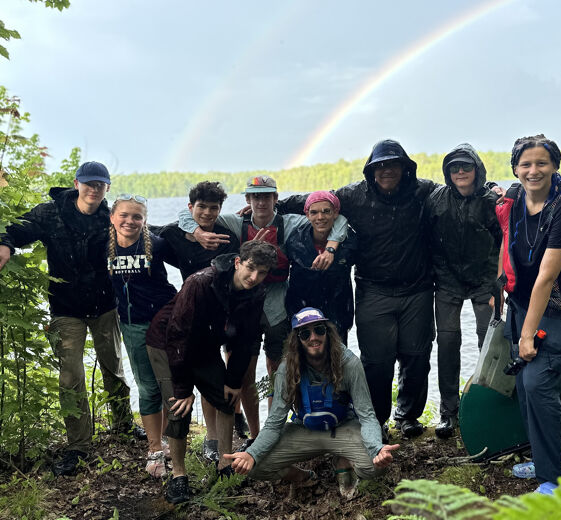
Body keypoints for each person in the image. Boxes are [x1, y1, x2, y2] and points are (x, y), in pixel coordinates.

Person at [278, 140, 436, 440]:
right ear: (371, 170)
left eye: (392, 164)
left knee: (416, 355)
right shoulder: (353, 195)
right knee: (376, 361)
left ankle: (408, 416)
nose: (386, 170)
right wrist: (270, 204)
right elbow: (314, 202)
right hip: (373, 289)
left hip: (417, 288)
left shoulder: (422, 191)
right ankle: (376, 420)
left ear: (405, 167)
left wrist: (492, 188)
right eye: (379, 165)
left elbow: (451, 192)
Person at [0, 161, 134, 477]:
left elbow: (148, 233)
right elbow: (13, 228)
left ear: (107, 187)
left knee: (114, 365)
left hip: (106, 305)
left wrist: (194, 232)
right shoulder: (51, 213)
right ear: (77, 183)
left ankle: (123, 425)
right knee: (70, 376)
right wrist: (4, 244)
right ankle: (79, 446)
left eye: (100, 184)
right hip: (65, 309)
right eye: (89, 183)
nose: (94, 189)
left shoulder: (113, 218)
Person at [178, 176, 346, 411]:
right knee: (241, 368)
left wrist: (331, 247)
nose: (261, 202)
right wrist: (197, 232)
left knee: (276, 370)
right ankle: (247, 426)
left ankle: (275, 422)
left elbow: (338, 220)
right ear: (248, 198)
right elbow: (186, 215)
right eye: (256, 196)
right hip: (242, 305)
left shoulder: (290, 223)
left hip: (277, 304)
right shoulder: (237, 222)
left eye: (266, 196)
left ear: (275, 198)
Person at [145, 240, 278, 504]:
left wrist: (233, 379)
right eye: (250, 268)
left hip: (204, 346)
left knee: (227, 399)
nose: (254, 277)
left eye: (262, 272)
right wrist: (183, 389)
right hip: (167, 344)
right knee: (178, 410)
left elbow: (245, 339)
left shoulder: (256, 292)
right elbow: (178, 332)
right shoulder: (201, 282)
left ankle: (224, 465)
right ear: (238, 262)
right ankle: (179, 476)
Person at [223, 307, 399, 498]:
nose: (313, 337)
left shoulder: (349, 363)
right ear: (297, 340)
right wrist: (252, 453)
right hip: (304, 430)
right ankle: (301, 476)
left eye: (319, 330)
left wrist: (376, 448)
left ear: (328, 332)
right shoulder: (286, 369)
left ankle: (344, 461)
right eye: (305, 333)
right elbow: (274, 423)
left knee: (376, 468)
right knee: (255, 467)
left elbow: (367, 415)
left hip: (343, 428)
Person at [496, 135, 561, 495]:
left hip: (558, 307)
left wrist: (528, 334)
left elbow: (547, 277)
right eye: (526, 164)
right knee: (522, 384)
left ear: (555, 166)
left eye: (541, 163)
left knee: (538, 383)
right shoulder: (514, 198)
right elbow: (503, 242)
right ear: (516, 168)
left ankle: (555, 479)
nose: (533, 171)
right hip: (520, 303)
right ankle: (548, 457)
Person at [154, 181, 250, 459]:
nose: (207, 213)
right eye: (202, 207)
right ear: (190, 208)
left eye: (213, 208)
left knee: (221, 376)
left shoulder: (226, 238)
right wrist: (194, 233)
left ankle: (222, 432)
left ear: (220, 210)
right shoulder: (176, 233)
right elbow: (149, 232)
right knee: (196, 375)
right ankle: (201, 439)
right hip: (191, 315)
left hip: (222, 315)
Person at [425, 144, 502, 438]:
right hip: (447, 281)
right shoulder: (436, 200)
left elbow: (504, 243)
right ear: (447, 172)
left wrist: (499, 285)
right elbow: (426, 240)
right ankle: (449, 412)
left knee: (489, 341)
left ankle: (489, 406)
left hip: (485, 281)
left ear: (477, 170)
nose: (460, 172)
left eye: (466, 167)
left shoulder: (492, 201)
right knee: (447, 344)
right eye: (454, 167)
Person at [107, 193, 177, 478]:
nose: (130, 221)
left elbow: (191, 262)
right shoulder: (101, 246)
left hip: (164, 323)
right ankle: (154, 449)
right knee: (148, 387)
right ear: (112, 217)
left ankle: (174, 443)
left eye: (137, 216)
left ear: (144, 221)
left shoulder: (157, 245)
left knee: (170, 387)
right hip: (132, 325)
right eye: (124, 215)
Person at [284, 191, 357, 344]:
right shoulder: (294, 240)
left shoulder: (349, 240)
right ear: (307, 215)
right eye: (314, 212)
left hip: (338, 312)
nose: (320, 217)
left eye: (326, 212)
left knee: (336, 362)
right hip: (301, 311)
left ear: (335, 213)